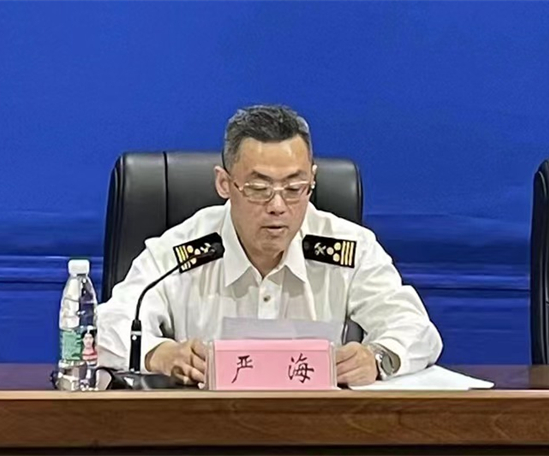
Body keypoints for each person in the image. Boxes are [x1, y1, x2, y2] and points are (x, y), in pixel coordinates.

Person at [97, 104, 442, 386]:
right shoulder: (180, 252)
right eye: (259, 189)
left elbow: (416, 329)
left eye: (294, 188)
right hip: (202, 430)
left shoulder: (350, 248)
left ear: (313, 181)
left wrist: (377, 358)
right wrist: (158, 354)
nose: (277, 206)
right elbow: (107, 327)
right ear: (224, 183)